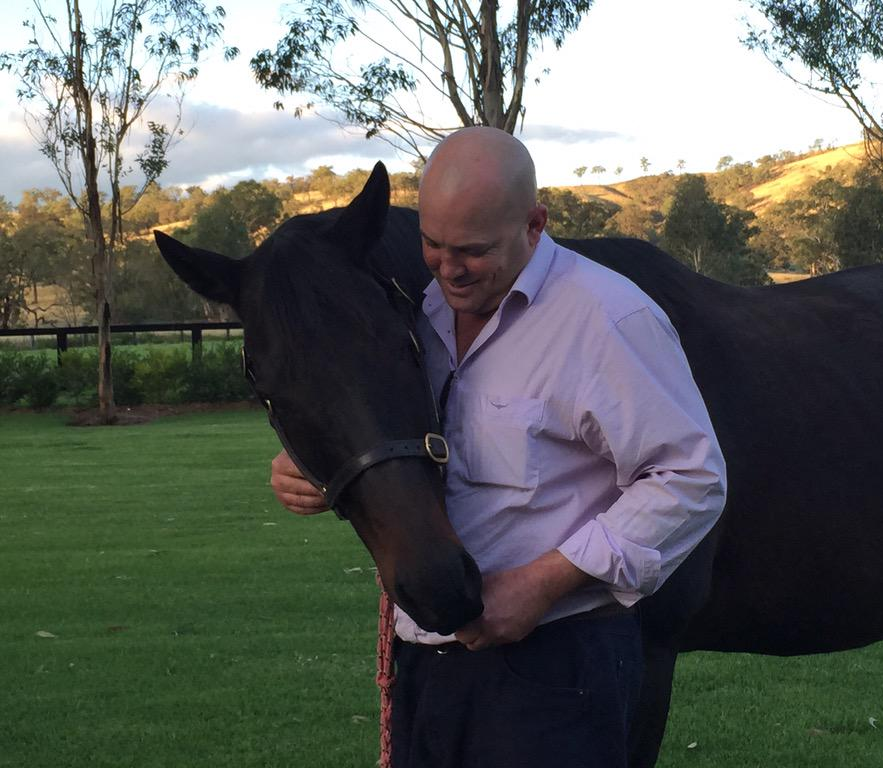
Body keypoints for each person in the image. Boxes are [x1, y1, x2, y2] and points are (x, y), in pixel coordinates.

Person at [270, 126, 726, 768]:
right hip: (424, 663)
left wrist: (542, 585)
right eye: (432, 244)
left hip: (558, 664)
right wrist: (311, 468)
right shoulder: (419, 314)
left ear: (535, 224)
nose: (448, 268)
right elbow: (388, 435)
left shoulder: (605, 319)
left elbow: (691, 477)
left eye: (472, 250)